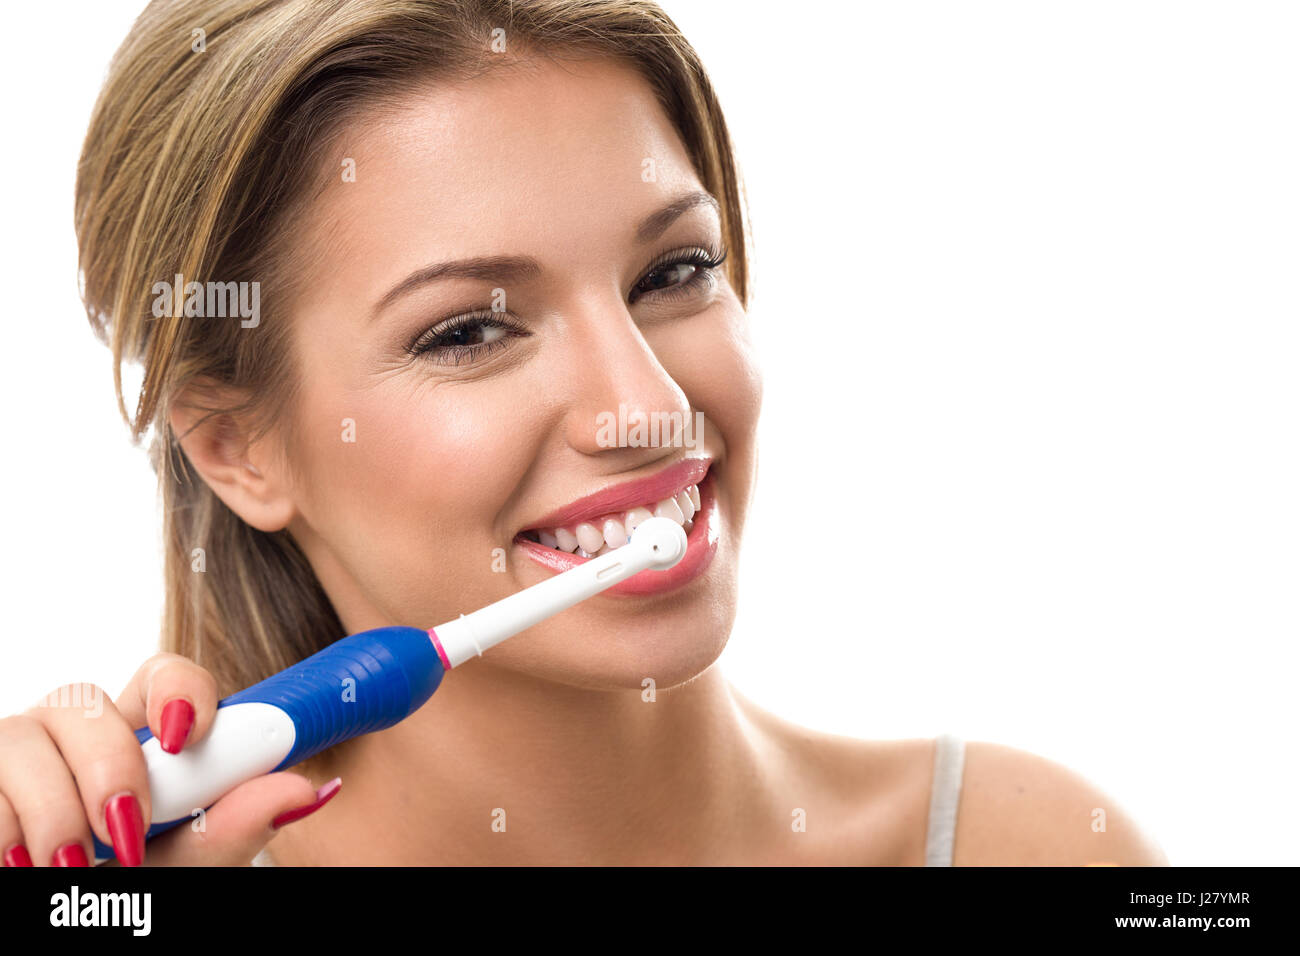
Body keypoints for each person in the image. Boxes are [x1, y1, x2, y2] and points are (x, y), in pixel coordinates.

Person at [1, 0, 1167, 867]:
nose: (644, 401)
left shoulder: (1040, 845)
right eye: (465, 330)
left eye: (677, 269)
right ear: (234, 447)